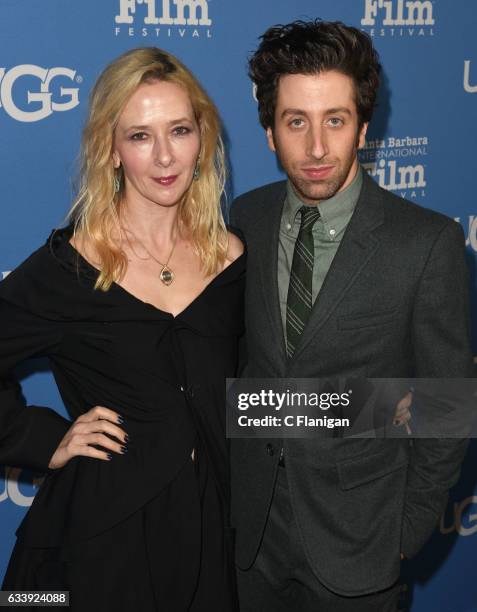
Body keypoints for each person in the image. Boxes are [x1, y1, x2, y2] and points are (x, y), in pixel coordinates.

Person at [229, 20, 475, 612]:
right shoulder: (246, 218)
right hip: (250, 540)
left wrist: (404, 531)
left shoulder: (427, 242)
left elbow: (446, 403)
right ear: (269, 132)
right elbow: (253, 375)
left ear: (363, 128)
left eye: (335, 121)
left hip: (359, 545)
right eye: (296, 122)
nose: (316, 148)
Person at [0, 47, 244, 611]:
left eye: (179, 130)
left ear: (202, 139)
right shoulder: (71, 265)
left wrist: (389, 413)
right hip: (99, 544)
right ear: (110, 149)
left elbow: (254, 398)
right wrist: (43, 439)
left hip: (213, 536)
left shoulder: (233, 259)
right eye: (139, 136)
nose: (164, 156)